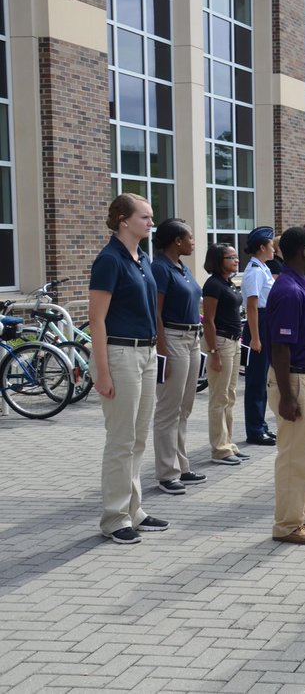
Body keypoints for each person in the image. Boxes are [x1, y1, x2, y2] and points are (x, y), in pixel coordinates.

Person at [89, 193, 169, 544]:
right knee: (121, 440)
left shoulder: (141, 258)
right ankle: (114, 517)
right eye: (146, 217)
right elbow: (96, 319)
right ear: (124, 220)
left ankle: (134, 510)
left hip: (146, 354)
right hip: (120, 355)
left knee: (138, 438)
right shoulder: (109, 260)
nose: (152, 223)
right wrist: (103, 372)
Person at [265, 226, 305, 545]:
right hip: (294, 379)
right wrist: (287, 397)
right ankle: (287, 524)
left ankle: (301, 514)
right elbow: (280, 346)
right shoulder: (288, 290)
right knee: (293, 455)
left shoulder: (300, 285)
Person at [151, 219, 207, 495]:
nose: (193, 242)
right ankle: (166, 473)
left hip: (192, 338)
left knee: (184, 407)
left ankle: (182, 466)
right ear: (177, 241)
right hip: (172, 339)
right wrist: (163, 351)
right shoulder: (160, 269)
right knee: (168, 409)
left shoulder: (181, 267)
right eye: (190, 237)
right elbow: (156, 312)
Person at [201, 243, 249, 467]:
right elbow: (208, 320)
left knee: (230, 395)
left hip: (234, 341)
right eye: (231, 257)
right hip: (220, 341)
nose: (236, 260)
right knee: (219, 397)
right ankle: (219, 449)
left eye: (236, 257)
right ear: (219, 260)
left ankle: (228, 443)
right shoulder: (213, 285)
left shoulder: (228, 283)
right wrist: (214, 352)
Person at [242, 226, 277, 446]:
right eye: (271, 245)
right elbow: (252, 307)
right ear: (262, 247)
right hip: (259, 324)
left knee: (263, 379)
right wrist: (255, 338)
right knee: (256, 381)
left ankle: (261, 424)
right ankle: (254, 429)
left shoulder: (262, 268)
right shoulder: (255, 271)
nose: (274, 248)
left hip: (266, 322)